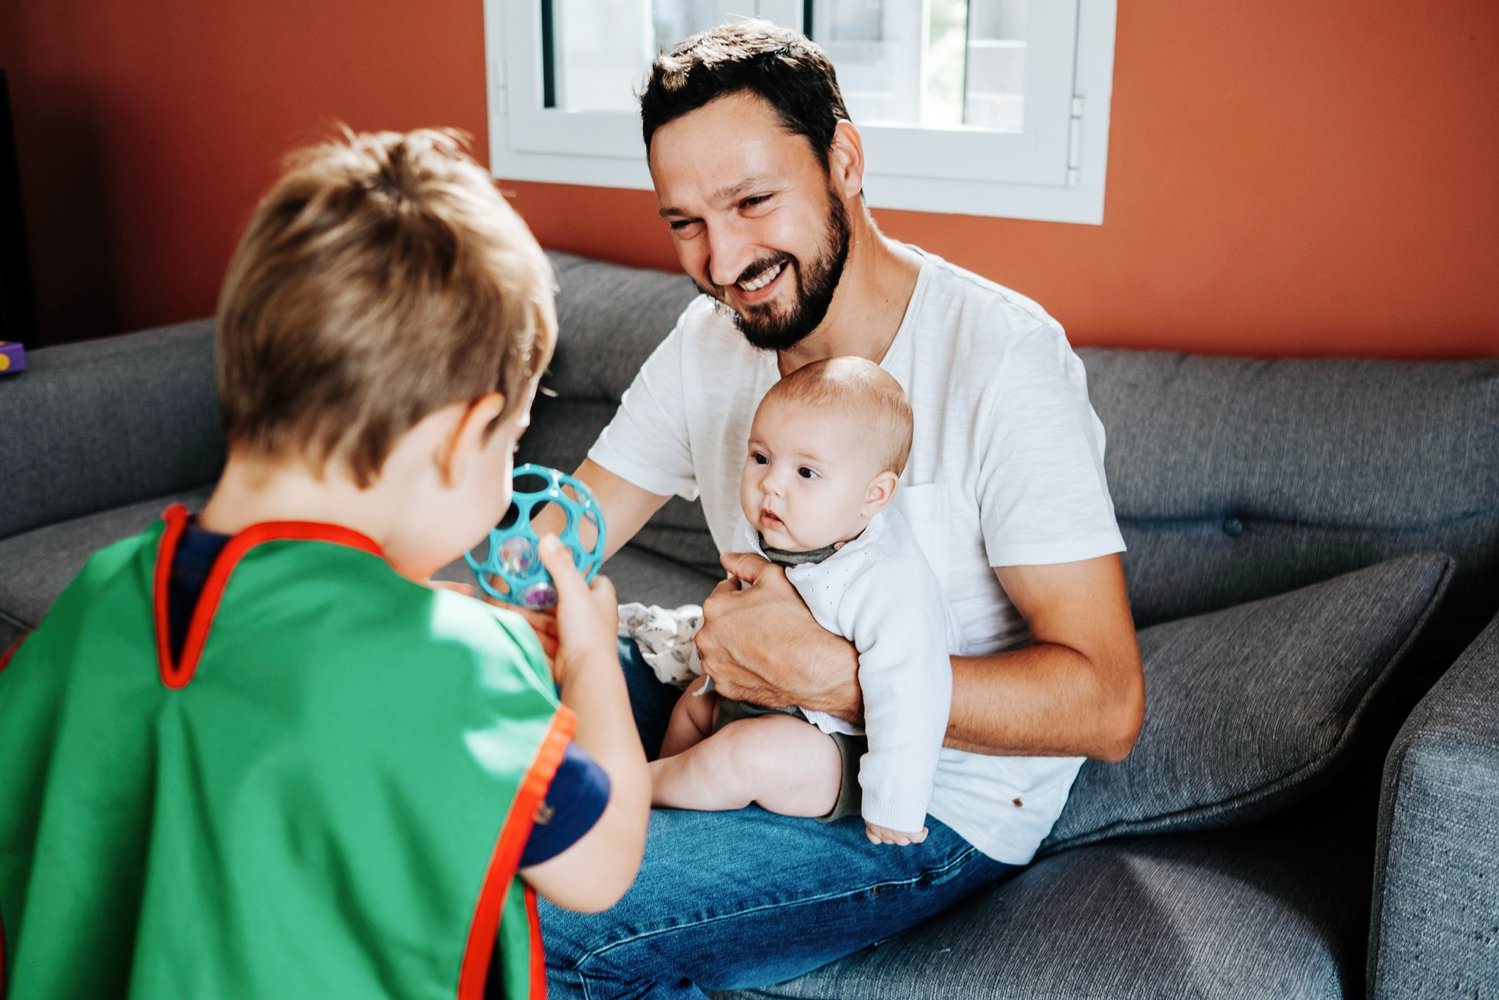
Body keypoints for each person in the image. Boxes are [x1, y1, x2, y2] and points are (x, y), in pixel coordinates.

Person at [528, 19, 1145, 998]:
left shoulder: (1000, 359)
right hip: (729, 692)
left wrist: (838, 675)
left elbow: (1107, 704)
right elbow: (570, 525)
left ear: (844, 161)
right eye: (684, 220)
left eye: (752, 202)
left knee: (546, 924)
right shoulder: (709, 343)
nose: (721, 259)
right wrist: (474, 601)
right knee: (447, 769)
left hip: (919, 797)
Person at [0, 129, 650, 999]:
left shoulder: (95, 599)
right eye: (514, 444)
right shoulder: (452, 666)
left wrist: (420, 611)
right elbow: (600, 867)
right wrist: (594, 660)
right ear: (459, 438)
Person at [652, 356, 954, 847]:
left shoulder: (885, 576)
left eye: (807, 472)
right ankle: (669, 788)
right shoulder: (773, 527)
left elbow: (913, 689)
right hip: (745, 698)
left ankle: (640, 788)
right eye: (761, 458)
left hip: (830, 749)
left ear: (874, 495)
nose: (772, 483)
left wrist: (895, 804)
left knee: (745, 754)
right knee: (692, 705)